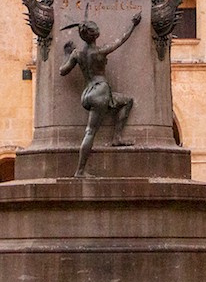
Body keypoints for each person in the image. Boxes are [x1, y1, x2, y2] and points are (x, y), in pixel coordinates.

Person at [59, 12, 143, 176]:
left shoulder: (77, 54)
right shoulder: (100, 52)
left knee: (122, 103)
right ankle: (81, 170)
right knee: (93, 130)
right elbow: (121, 40)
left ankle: (116, 139)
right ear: (95, 35)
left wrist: (67, 54)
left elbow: (63, 71)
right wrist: (133, 24)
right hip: (101, 91)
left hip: (87, 93)